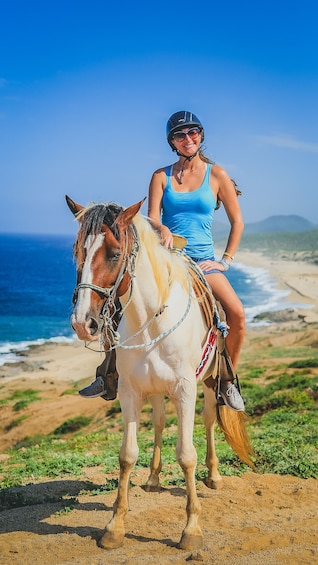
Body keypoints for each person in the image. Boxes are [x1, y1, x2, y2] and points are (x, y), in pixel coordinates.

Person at [80, 110, 245, 411]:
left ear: (201, 135)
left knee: (237, 314)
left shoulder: (218, 175)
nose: (187, 139)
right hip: (166, 259)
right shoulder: (161, 176)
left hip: (202, 262)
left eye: (193, 132)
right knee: (115, 305)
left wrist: (226, 260)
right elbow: (152, 218)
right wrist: (162, 228)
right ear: (172, 142)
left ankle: (226, 381)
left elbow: (238, 223)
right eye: (180, 135)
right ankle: (108, 374)